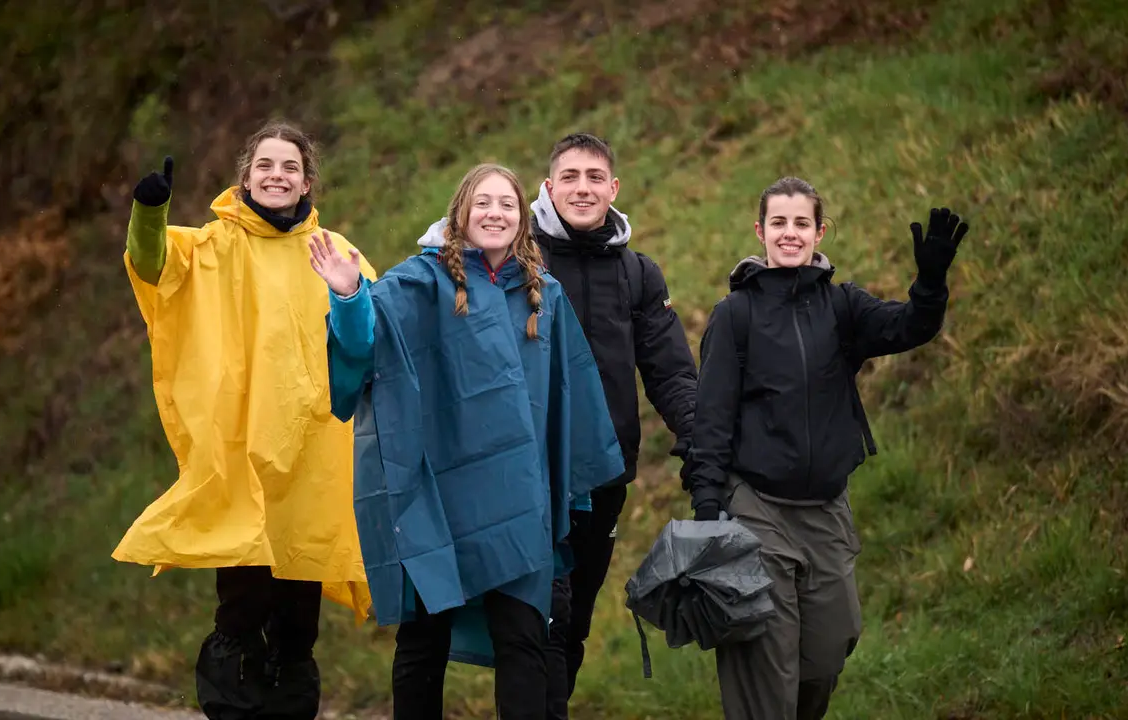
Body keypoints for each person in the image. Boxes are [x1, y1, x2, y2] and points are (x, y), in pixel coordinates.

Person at [311, 162, 624, 720]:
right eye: (483, 202)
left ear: (522, 217)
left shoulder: (543, 294)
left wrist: (571, 493)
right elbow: (366, 348)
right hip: (438, 497)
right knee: (423, 640)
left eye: (507, 204)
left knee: (524, 637)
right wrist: (350, 295)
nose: (495, 213)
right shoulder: (419, 282)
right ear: (461, 212)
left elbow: (569, 393)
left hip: (518, 501)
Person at [111, 120, 376, 720]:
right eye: (265, 165)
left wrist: (349, 294)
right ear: (246, 177)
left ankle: (289, 707)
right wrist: (148, 213)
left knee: (297, 615)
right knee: (242, 604)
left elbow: (369, 342)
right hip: (242, 453)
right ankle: (232, 708)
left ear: (307, 182)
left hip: (312, 457)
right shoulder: (212, 246)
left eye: (290, 167)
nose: (277, 176)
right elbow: (152, 265)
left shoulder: (334, 252)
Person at [682, 176, 969, 720]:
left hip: (826, 511)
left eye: (801, 223)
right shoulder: (735, 315)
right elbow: (711, 420)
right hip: (756, 509)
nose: (789, 233)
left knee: (827, 652)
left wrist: (930, 281)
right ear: (760, 231)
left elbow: (909, 327)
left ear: (819, 232)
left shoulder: (842, 306)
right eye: (778, 223)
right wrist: (708, 511)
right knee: (765, 664)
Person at [530, 133, 698, 716]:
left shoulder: (638, 273)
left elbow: (670, 371)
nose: (583, 189)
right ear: (548, 188)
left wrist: (701, 440)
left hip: (604, 474)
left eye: (595, 177)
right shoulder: (517, 261)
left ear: (614, 188)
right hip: (529, 472)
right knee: (541, 617)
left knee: (573, 619)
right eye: (570, 177)